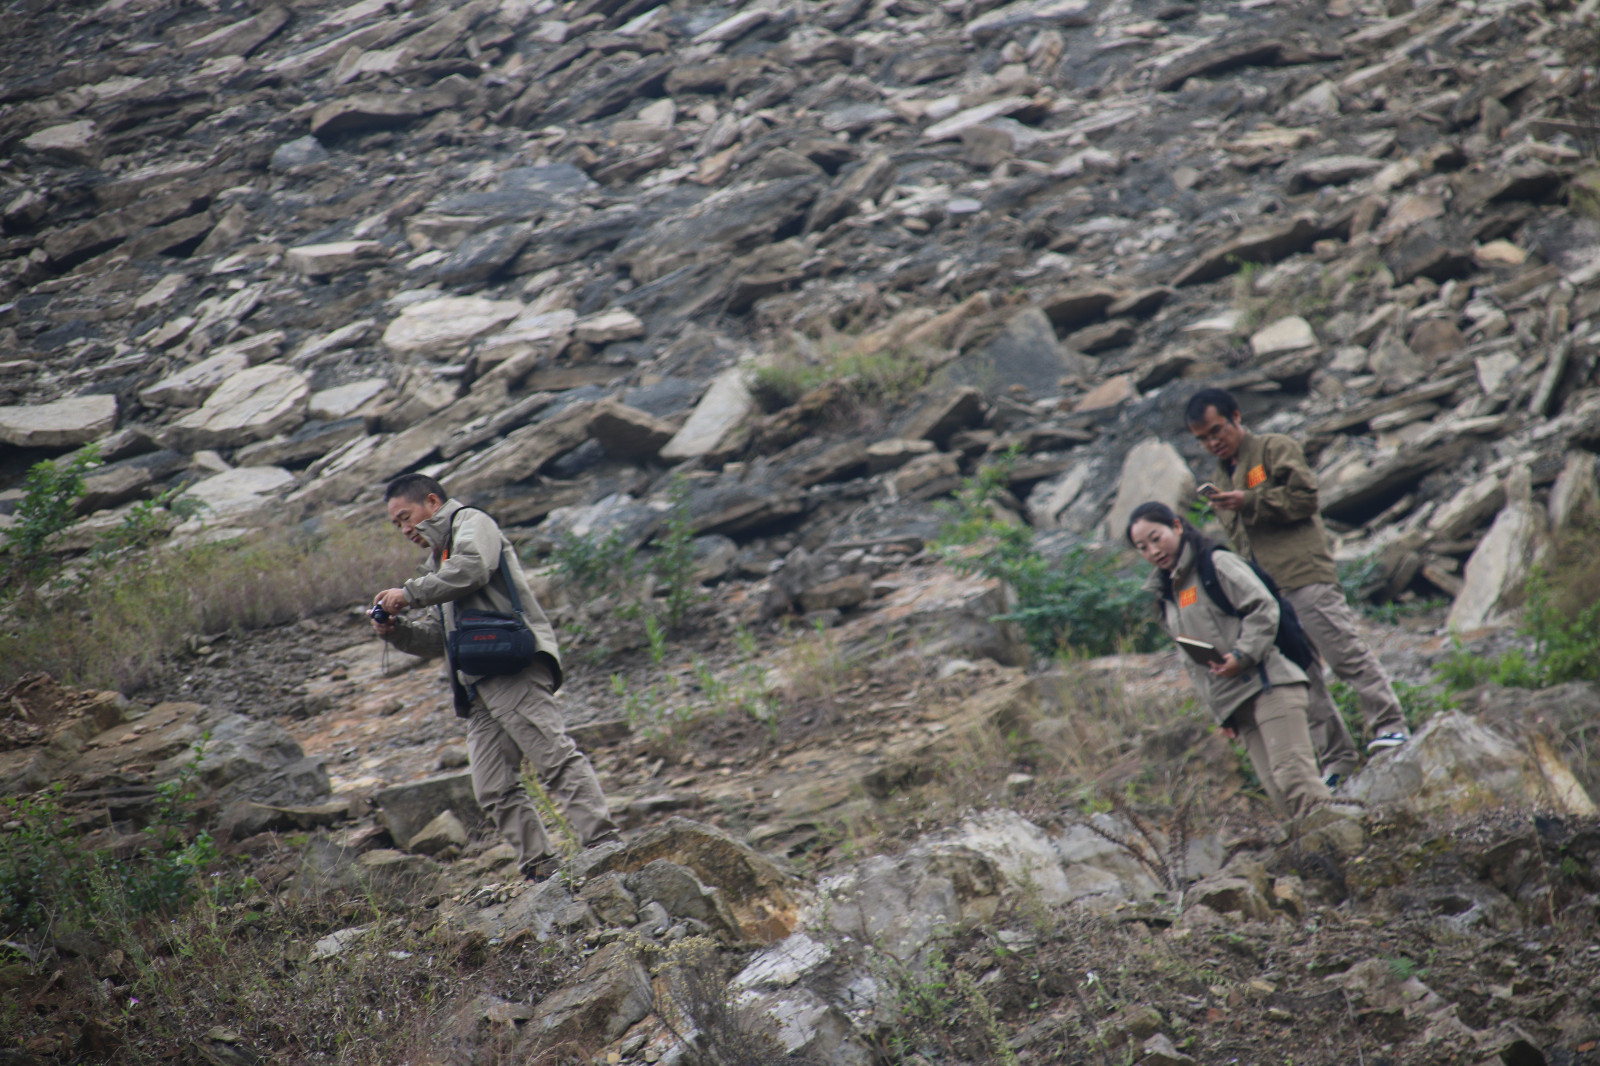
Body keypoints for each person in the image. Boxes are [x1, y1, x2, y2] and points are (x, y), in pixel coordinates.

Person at [371, 473, 619, 879]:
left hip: (510, 665)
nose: (404, 530)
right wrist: (397, 632)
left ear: (432, 502)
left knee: (553, 758)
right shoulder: (438, 562)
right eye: (396, 524)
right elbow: (439, 638)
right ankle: (541, 869)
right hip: (477, 681)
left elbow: (474, 568)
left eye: (405, 517)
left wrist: (409, 593)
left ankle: (605, 848)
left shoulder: (472, 523)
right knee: (493, 786)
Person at [1186, 388, 1410, 784]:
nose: (1212, 442)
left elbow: (1305, 498)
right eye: (1203, 439)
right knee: (1305, 677)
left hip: (1304, 575)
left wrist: (1249, 500)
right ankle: (1338, 760)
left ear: (1236, 417)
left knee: (1345, 654)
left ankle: (1391, 726)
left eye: (1217, 431)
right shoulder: (1220, 477)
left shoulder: (1273, 449)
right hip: (1270, 596)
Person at [1127, 502, 1333, 822]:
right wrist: (1220, 712)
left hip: (1270, 684)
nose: (1153, 551)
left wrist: (1242, 655)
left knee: (1296, 780)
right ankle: (1319, 848)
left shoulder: (1216, 563)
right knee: (1278, 792)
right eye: (1142, 547)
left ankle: (1345, 840)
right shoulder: (1166, 594)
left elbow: (1263, 606)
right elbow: (1193, 661)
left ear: (1177, 526)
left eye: (1156, 538)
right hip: (1236, 704)